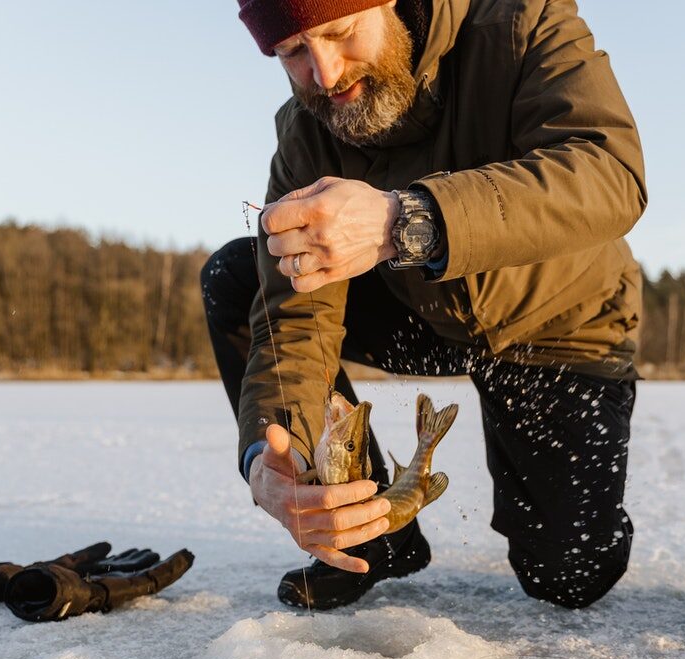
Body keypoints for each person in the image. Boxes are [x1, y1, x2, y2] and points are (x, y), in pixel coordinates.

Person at [201, 0, 646, 610]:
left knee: (568, 578)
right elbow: (295, 321)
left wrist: (404, 220)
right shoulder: (305, 134)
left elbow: (609, 171)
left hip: (559, 328)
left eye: (338, 32)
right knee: (239, 273)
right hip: (425, 315)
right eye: (293, 53)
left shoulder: (520, 23)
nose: (325, 73)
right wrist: (270, 453)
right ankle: (378, 531)